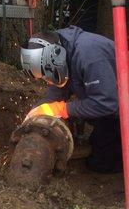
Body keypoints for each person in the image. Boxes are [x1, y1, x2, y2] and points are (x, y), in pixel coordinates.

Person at [20, 25, 122, 173]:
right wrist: (35, 113)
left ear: (55, 58)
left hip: (116, 105)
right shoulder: (63, 49)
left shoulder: (89, 56)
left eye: (46, 75)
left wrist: (63, 109)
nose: (46, 81)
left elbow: (107, 103)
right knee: (97, 141)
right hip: (108, 98)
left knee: (101, 163)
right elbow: (56, 90)